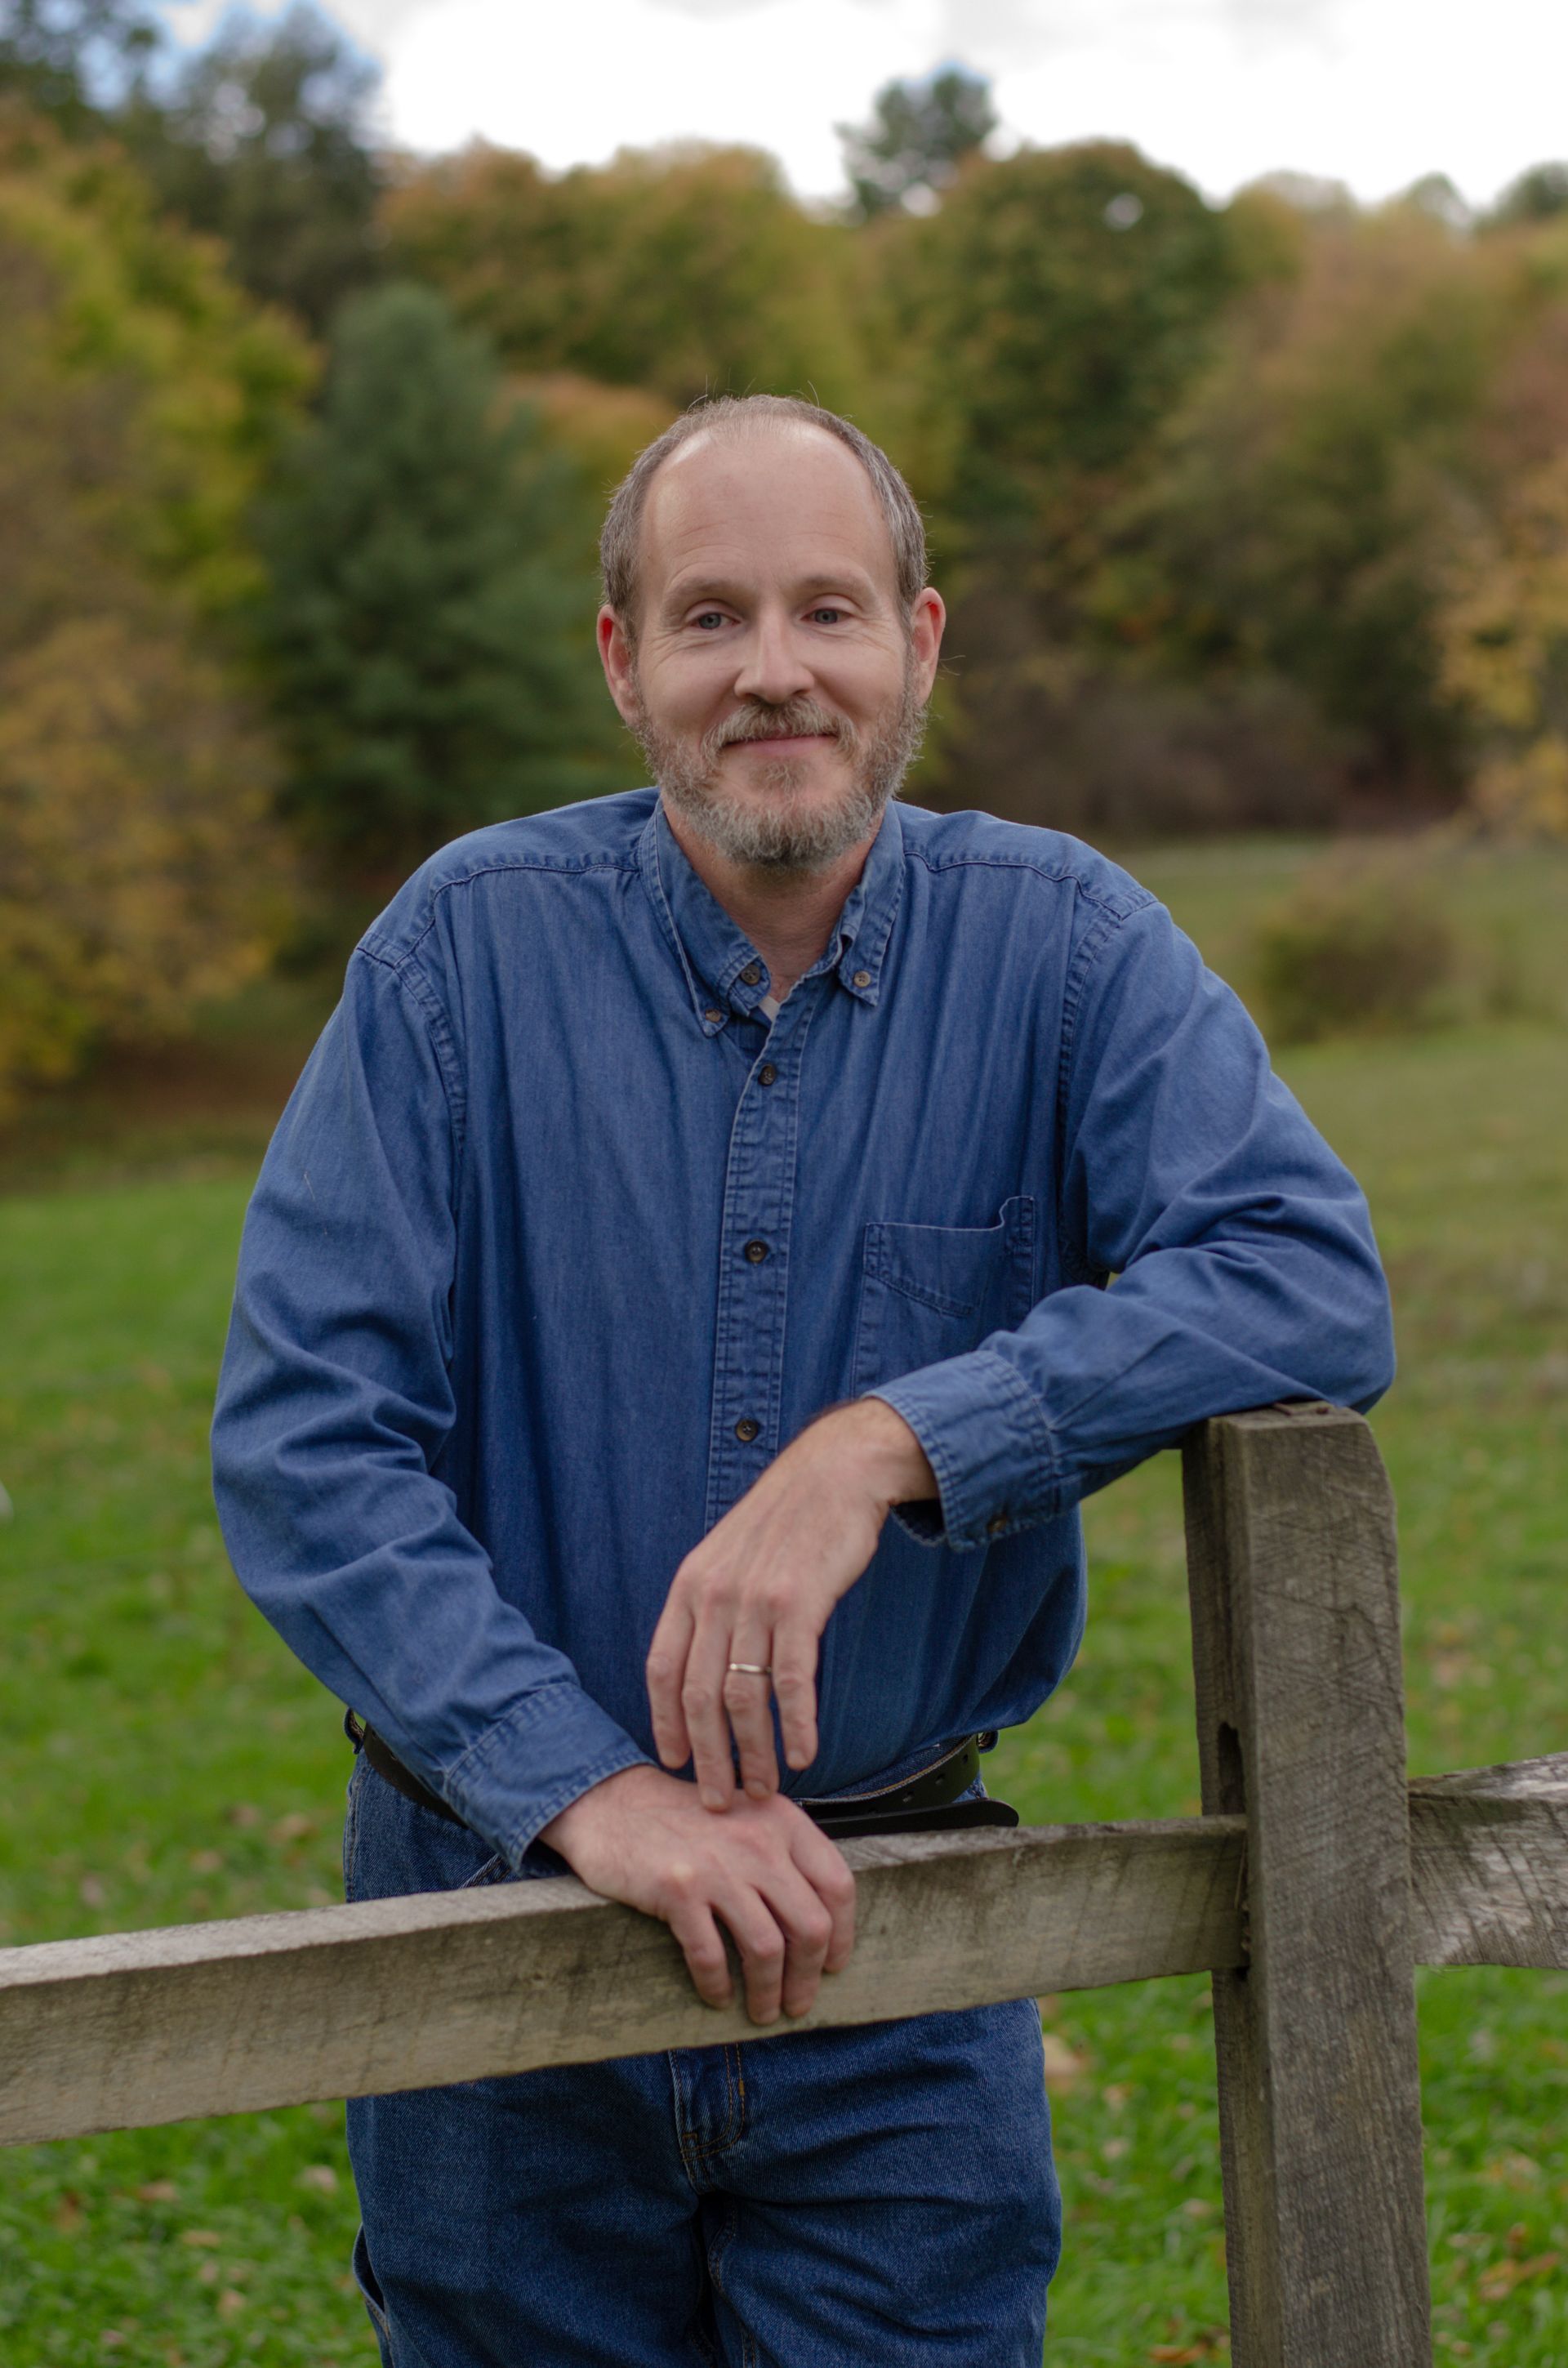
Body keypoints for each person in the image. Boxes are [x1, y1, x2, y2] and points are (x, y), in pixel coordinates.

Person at [211, 392, 1395, 2366]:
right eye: (710, 617)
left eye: (830, 610)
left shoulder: (1068, 949)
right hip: (497, 1948)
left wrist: (897, 1439)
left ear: (919, 644)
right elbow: (305, 1442)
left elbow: (1303, 1267)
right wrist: (588, 1787)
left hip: (898, 1948)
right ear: (623, 661)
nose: (775, 670)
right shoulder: (457, 961)